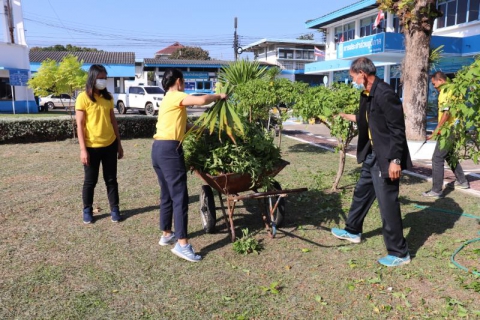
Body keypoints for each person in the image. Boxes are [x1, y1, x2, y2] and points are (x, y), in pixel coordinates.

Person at [331, 57, 412, 267]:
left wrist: (395, 160)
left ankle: (400, 253)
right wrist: (340, 115)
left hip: (386, 157)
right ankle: (352, 230)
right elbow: (365, 119)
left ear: (362, 74)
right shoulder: (367, 93)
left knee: (387, 205)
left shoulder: (385, 94)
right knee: (361, 193)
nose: (353, 80)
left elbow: (397, 130)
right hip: (372, 154)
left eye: (353, 76)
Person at [152, 68, 227, 262]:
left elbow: (184, 127)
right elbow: (201, 100)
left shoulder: (168, 101)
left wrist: (203, 130)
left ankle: (167, 233)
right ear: (178, 81)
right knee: (180, 197)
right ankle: (182, 244)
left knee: (167, 194)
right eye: (183, 81)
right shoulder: (175, 95)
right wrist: (219, 96)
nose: (184, 84)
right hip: (170, 151)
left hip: (158, 149)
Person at [75, 64, 124, 224]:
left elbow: (113, 120)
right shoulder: (83, 98)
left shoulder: (108, 97)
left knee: (111, 180)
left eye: (104, 78)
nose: (103, 81)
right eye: (100, 78)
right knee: (90, 181)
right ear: (92, 78)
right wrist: (83, 149)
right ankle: (87, 210)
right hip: (91, 148)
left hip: (109, 145)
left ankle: (115, 209)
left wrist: (119, 143)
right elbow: (80, 126)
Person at [422, 71, 470, 198]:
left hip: (449, 129)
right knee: (449, 155)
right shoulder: (453, 89)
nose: (434, 87)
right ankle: (462, 181)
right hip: (455, 128)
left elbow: (447, 113)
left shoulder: (446, 91)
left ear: (441, 81)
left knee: (437, 158)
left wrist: (437, 129)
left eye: (434, 84)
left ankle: (436, 190)